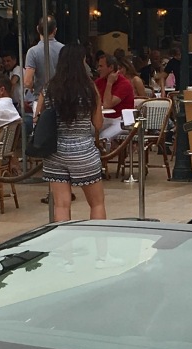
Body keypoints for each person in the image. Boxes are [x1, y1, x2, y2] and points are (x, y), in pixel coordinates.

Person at [40, 43, 105, 222]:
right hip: (83, 150)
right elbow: (98, 124)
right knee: (97, 203)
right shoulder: (89, 89)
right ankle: (99, 244)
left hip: (55, 152)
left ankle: (63, 246)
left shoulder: (49, 89)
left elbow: (39, 117)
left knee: (61, 204)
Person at [94, 53, 135, 147]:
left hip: (122, 121)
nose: (98, 69)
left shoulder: (124, 84)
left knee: (104, 137)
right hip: (105, 118)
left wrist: (109, 83)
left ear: (111, 67)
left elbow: (107, 105)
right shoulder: (99, 82)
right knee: (85, 132)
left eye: (101, 66)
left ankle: (103, 160)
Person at [24, 17, 63, 104]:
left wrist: (32, 87)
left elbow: (27, 81)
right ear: (55, 30)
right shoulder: (64, 50)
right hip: (61, 99)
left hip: (40, 100)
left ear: (37, 29)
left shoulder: (33, 52)